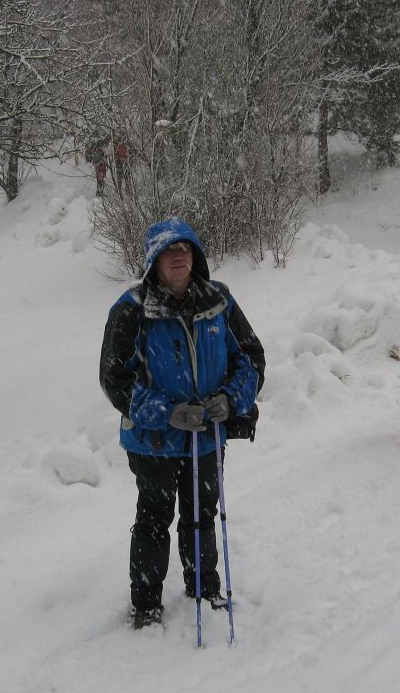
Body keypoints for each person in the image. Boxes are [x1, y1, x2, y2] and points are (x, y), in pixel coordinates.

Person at [99, 218, 265, 630]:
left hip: (207, 435)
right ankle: (146, 603)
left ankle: (204, 587)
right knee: (154, 519)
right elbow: (115, 379)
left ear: (196, 256)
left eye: (185, 249)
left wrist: (231, 399)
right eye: (169, 251)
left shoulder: (219, 300)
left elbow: (250, 357)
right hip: (153, 441)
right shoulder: (131, 309)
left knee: (201, 514)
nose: (179, 257)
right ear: (153, 259)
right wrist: (167, 412)